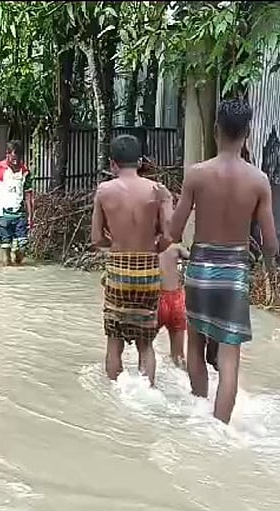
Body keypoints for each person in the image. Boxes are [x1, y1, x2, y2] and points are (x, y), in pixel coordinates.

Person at [169, 98, 279, 424]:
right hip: (234, 274)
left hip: (200, 269)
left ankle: (199, 412)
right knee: (229, 360)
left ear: (216, 130)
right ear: (247, 133)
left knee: (195, 343)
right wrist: (269, 269)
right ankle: (219, 429)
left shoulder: (196, 174)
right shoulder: (259, 180)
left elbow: (174, 230)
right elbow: (271, 243)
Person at [91, 134, 174, 388]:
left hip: (118, 271)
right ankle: (146, 393)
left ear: (113, 163)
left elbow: (96, 238)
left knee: (114, 341)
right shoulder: (157, 191)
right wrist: (154, 247)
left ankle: (115, 396)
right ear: (139, 161)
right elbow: (170, 235)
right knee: (146, 343)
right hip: (148, 271)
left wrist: (115, 245)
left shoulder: (104, 191)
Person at [0, 140, 34, 266]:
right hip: (2, 213)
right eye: (13, 158)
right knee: (5, 247)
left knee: (23, 245)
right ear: (7, 154)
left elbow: (28, 194)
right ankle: (7, 273)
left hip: (20, 214)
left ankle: (18, 260)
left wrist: (30, 215)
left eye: (18, 158)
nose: (15, 161)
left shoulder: (25, 171)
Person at [157, 243, 190, 368]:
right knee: (179, 355)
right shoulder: (176, 248)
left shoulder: (148, 245)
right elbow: (193, 257)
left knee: (145, 350)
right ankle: (184, 383)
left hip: (157, 300)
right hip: (177, 301)